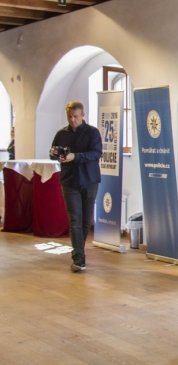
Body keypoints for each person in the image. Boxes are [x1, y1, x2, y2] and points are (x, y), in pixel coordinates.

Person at [49, 101, 102, 273]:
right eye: (70, 117)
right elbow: (53, 153)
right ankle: (78, 258)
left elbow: (96, 153)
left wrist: (75, 156)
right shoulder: (61, 134)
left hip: (90, 180)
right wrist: (56, 155)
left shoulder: (92, 132)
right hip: (69, 181)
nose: (72, 120)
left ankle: (79, 248)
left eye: (76, 117)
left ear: (83, 115)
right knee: (75, 220)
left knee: (86, 221)